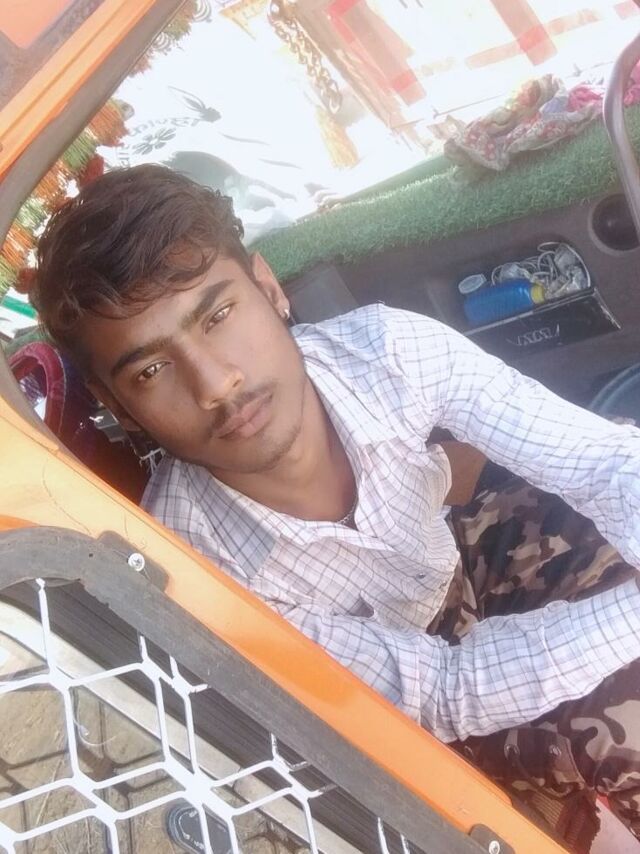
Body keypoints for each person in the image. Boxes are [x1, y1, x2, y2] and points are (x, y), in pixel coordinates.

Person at [33, 164, 640, 845]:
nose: (215, 383)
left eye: (218, 316)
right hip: (407, 715)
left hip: (456, 558)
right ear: (119, 408)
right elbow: (443, 694)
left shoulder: (388, 351)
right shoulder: (191, 565)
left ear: (269, 289)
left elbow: (602, 462)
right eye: (151, 370)